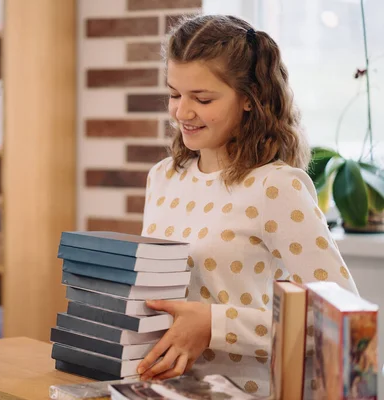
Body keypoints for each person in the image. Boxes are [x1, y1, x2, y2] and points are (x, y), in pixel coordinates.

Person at [136, 13, 359, 397]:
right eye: (175, 94)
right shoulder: (163, 178)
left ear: (249, 100)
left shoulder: (276, 188)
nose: (182, 112)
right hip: (166, 390)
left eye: (202, 99)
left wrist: (213, 324)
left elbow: (341, 319)